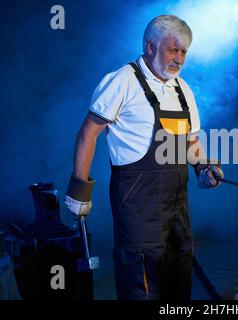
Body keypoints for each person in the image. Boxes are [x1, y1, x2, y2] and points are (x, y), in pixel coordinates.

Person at [64, 15, 223, 300]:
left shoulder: (183, 90)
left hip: (176, 205)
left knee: (179, 273)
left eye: (184, 51)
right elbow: (88, 133)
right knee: (141, 281)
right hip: (137, 202)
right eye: (173, 50)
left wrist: (203, 167)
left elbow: (190, 141)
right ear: (150, 46)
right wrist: (79, 189)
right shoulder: (122, 81)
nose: (179, 58)